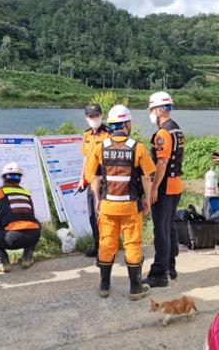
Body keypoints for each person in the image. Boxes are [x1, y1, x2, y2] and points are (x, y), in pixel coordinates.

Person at [84, 104, 155, 301]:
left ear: (112, 125)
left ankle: (105, 286)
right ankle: (135, 288)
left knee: (106, 243)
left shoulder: (100, 148)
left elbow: (95, 177)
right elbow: (146, 177)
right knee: (132, 244)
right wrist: (147, 199)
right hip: (130, 206)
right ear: (127, 124)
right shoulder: (137, 147)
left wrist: (97, 199)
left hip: (107, 205)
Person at [143, 91, 184, 287]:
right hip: (176, 185)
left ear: (159, 110)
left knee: (161, 230)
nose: (150, 113)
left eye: (152, 109)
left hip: (165, 187)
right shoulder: (176, 129)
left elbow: (162, 162)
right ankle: (171, 266)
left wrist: (153, 188)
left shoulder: (163, 133)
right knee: (170, 227)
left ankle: (159, 273)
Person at [0, 162, 41, 272]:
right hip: (34, 236)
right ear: (19, 179)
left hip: (12, 239)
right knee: (35, 223)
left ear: (4, 178)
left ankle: (2, 261)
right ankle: (27, 258)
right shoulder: (26, 193)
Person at [77, 103, 110, 258]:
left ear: (101, 115)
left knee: (102, 216)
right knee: (92, 216)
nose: (95, 118)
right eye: (91, 116)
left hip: (105, 182)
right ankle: (98, 245)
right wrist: (81, 179)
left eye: (97, 115)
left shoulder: (108, 133)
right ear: (86, 118)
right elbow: (85, 158)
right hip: (90, 182)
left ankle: (106, 247)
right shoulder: (86, 135)